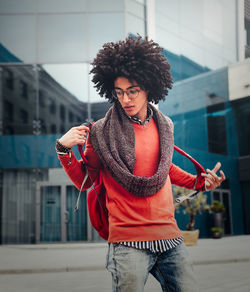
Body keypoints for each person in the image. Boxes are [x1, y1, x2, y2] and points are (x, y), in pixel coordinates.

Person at [56, 36, 226, 292]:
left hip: (170, 238)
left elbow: (165, 169)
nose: (125, 99)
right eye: (119, 92)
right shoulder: (101, 133)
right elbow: (87, 181)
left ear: (149, 87)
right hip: (127, 243)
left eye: (132, 91)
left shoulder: (165, 125)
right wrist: (63, 150)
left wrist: (199, 182)